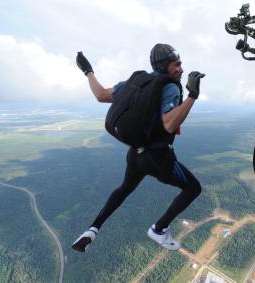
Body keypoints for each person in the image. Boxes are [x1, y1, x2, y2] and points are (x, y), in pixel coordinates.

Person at [72, 43, 205, 252]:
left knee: (124, 189)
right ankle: (159, 229)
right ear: (164, 66)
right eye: (176, 65)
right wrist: (192, 96)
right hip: (156, 158)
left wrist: (88, 71)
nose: (181, 69)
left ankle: (93, 229)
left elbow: (101, 95)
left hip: (135, 154)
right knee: (193, 188)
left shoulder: (136, 82)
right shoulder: (169, 86)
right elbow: (169, 123)